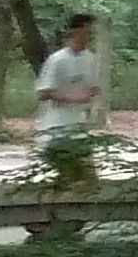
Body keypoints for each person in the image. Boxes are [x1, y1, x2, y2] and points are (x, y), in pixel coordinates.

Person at [34, 13, 106, 178]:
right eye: (87, 30)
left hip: (79, 126)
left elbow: (94, 87)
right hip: (57, 126)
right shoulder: (58, 60)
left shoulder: (91, 59)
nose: (90, 35)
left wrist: (90, 97)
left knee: (88, 176)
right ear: (75, 31)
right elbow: (43, 92)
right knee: (68, 175)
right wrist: (73, 98)